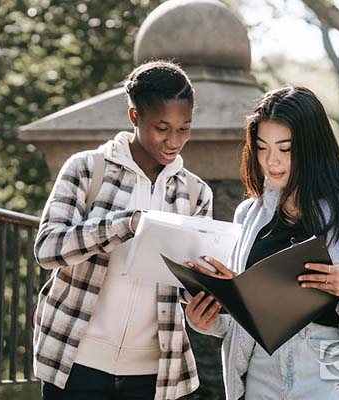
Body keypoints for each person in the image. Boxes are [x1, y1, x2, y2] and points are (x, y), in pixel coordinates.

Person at [185, 86, 339, 399]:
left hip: (332, 369)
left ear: (312, 147)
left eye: (285, 149)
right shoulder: (249, 213)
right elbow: (244, 318)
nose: (271, 161)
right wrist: (210, 318)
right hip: (261, 372)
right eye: (262, 148)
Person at [33, 60, 213, 400]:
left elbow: (190, 284)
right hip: (76, 364)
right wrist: (124, 224)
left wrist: (207, 295)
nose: (174, 140)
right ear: (135, 117)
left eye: (184, 128)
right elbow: (47, 249)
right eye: (162, 127)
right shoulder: (87, 168)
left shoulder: (196, 193)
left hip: (154, 375)